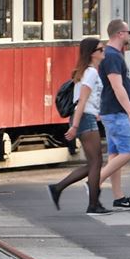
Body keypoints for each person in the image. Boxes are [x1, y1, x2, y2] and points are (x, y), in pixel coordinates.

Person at [47, 37, 111, 214]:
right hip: (84, 119)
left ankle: (58, 188)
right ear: (92, 54)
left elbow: (86, 100)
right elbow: (82, 101)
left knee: (93, 163)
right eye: (100, 50)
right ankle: (93, 204)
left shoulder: (88, 72)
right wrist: (74, 126)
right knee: (96, 162)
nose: (103, 52)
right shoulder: (90, 73)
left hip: (86, 117)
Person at [96, 19, 130, 210]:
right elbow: (117, 86)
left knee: (115, 154)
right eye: (128, 32)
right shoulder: (113, 56)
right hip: (116, 112)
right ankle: (94, 183)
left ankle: (118, 197)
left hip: (111, 111)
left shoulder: (110, 54)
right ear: (120, 34)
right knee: (128, 151)